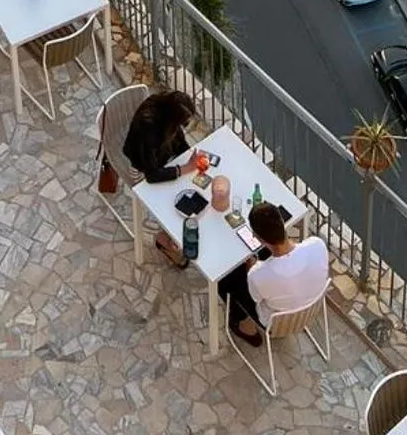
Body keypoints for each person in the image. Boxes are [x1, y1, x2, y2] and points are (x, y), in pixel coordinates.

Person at [219, 202, 330, 346]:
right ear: (282, 222)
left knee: (225, 280)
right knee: (263, 259)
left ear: (257, 237)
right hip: (310, 311)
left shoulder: (258, 275)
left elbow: (255, 298)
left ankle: (246, 327)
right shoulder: (317, 245)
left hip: (276, 324)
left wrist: (252, 268)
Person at [122, 90, 202, 266]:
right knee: (171, 203)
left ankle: (172, 234)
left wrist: (190, 156)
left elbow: (177, 139)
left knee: (188, 188)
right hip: (142, 169)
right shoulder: (149, 126)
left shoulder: (164, 110)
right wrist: (185, 168)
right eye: (183, 122)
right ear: (172, 118)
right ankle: (163, 239)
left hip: (161, 159)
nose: (185, 125)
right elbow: (151, 175)